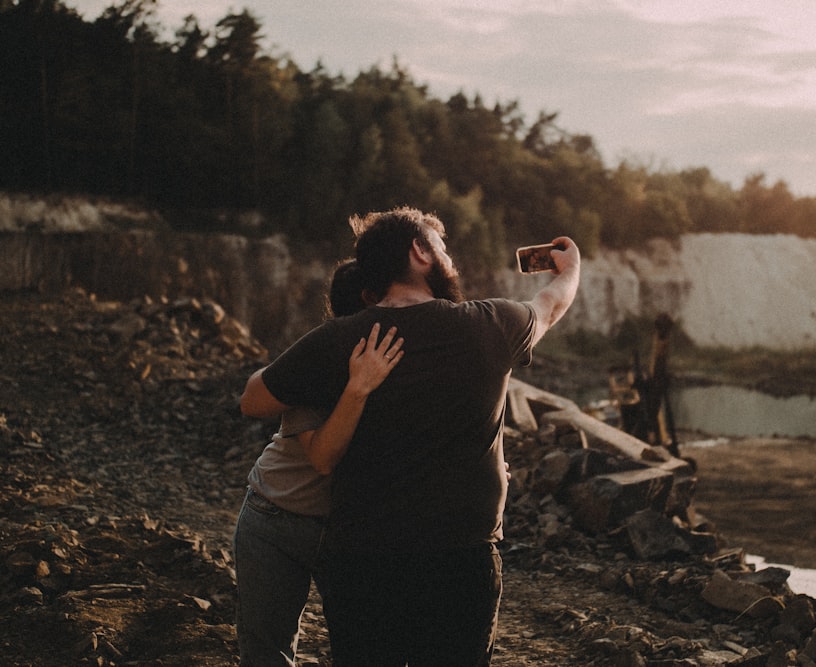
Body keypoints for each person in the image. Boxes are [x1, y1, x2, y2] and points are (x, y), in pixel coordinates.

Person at [240, 206, 581, 666]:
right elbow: (551, 304)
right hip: (460, 560)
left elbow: (253, 401)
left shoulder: (339, 340)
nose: (448, 257)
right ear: (419, 252)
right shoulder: (488, 325)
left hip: (363, 564)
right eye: (440, 247)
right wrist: (571, 268)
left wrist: (319, 372)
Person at [233, 259, 404, 666]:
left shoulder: (400, 361)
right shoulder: (321, 365)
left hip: (351, 529)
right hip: (277, 518)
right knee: (266, 654)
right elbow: (324, 458)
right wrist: (358, 387)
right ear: (369, 303)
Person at [648, 312, 680, 458]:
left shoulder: (662, 342)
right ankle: (656, 439)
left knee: (654, 411)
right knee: (654, 411)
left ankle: (656, 439)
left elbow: (659, 363)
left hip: (658, 381)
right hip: (657, 380)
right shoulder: (661, 341)